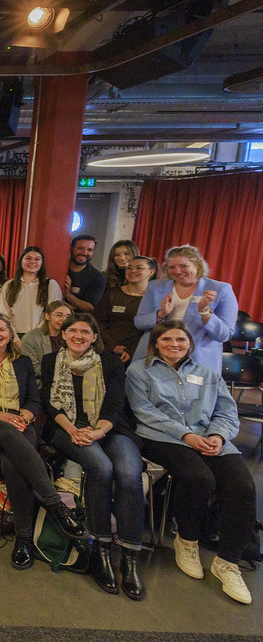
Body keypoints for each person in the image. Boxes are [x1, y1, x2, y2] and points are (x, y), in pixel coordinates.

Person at [126, 321, 255, 605]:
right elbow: (144, 412)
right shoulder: (139, 371)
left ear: (190, 344)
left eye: (181, 339)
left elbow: (226, 411)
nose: (174, 344)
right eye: (167, 339)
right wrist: (186, 435)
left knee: (242, 486)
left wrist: (219, 436)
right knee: (199, 478)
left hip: (211, 439)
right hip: (163, 438)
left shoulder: (207, 374)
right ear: (156, 343)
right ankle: (186, 540)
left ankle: (228, 563)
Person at [0, 313, 87, 570]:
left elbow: (34, 402)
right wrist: (3, 417)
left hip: (18, 423)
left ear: (10, 333)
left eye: (1, 329)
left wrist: (23, 418)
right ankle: (56, 505)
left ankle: (23, 539)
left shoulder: (23, 362)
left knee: (13, 461)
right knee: (8, 435)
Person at [41, 314, 144, 599]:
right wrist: (75, 430)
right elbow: (51, 404)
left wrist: (96, 432)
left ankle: (130, 557)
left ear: (95, 337)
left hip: (110, 429)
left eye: (85, 331)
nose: (78, 335)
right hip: (67, 428)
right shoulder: (51, 362)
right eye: (71, 330)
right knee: (100, 467)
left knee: (128, 473)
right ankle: (101, 551)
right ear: (62, 335)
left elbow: (114, 405)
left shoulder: (110, 363)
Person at [132, 245, 236, 376]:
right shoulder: (155, 286)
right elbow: (139, 322)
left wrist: (205, 313)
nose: (177, 271)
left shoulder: (221, 289)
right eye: (172, 267)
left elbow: (224, 335)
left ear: (197, 264)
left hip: (196, 360)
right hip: (155, 357)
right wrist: (161, 314)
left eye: (183, 266)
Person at [95, 256, 156, 364]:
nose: (133, 271)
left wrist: (132, 351)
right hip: (108, 349)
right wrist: (112, 345)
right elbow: (98, 321)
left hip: (140, 354)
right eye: (129, 268)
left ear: (151, 272)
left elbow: (153, 330)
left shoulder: (154, 298)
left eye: (139, 268)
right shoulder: (113, 293)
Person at [0, 246, 63, 336]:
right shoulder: (9, 285)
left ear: (42, 263)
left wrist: (34, 337)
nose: (32, 262)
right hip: (13, 335)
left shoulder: (51, 285)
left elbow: (53, 313)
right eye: (28, 258)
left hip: (41, 335)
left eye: (37, 259)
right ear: (21, 261)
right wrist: (15, 339)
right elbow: (4, 313)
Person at [20, 300, 73, 377]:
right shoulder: (31, 338)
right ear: (47, 316)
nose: (64, 319)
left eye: (68, 316)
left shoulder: (73, 337)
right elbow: (33, 368)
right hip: (42, 384)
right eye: (59, 315)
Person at [64, 234, 106, 313]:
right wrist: (77, 303)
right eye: (80, 248)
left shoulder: (98, 277)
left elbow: (90, 307)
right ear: (71, 248)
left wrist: (67, 294)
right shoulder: (59, 268)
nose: (85, 253)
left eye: (90, 250)